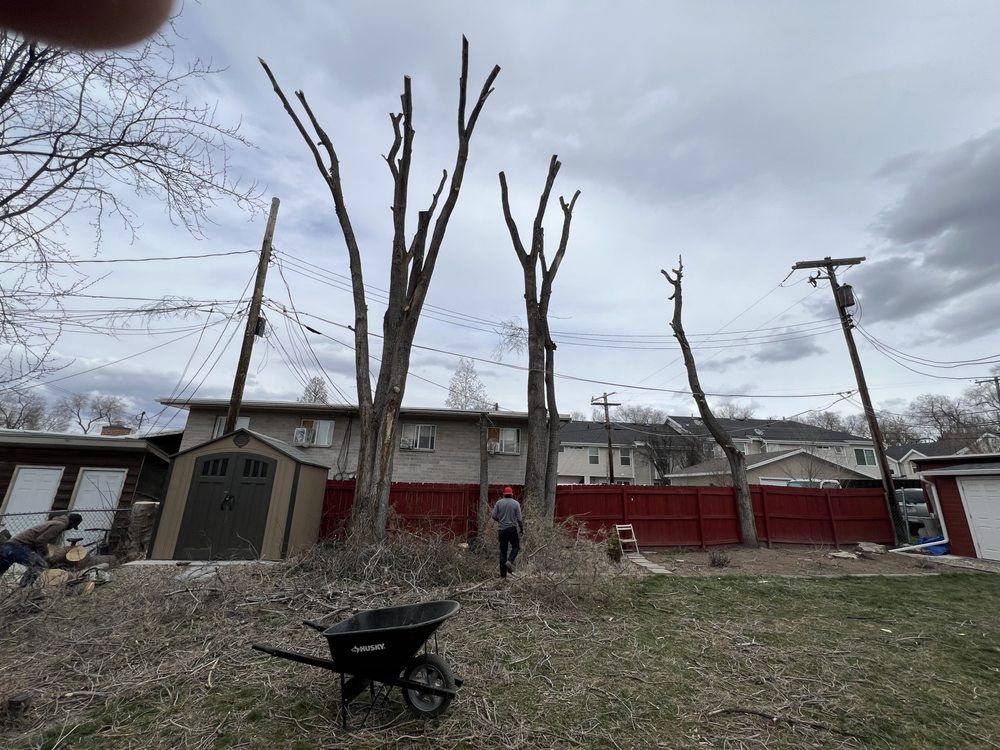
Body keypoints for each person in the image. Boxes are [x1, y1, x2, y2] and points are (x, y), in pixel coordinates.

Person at [0, 513, 82, 587]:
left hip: (8, 547)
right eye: (73, 527)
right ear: (72, 523)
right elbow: (40, 541)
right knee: (40, 565)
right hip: (17, 547)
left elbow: (35, 541)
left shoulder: (55, 521)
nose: (70, 528)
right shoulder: (60, 525)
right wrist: (46, 555)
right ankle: (23, 589)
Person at [491, 487, 523, 579]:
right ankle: (510, 561)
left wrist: (500, 520)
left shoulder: (498, 503)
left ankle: (503, 576)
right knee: (516, 547)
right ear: (512, 494)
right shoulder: (516, 503)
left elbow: (493, 516)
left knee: (503, 552)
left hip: (502, 530)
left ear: (504, 494)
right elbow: (519, 519)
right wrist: (521, 529)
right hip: (512, 529)